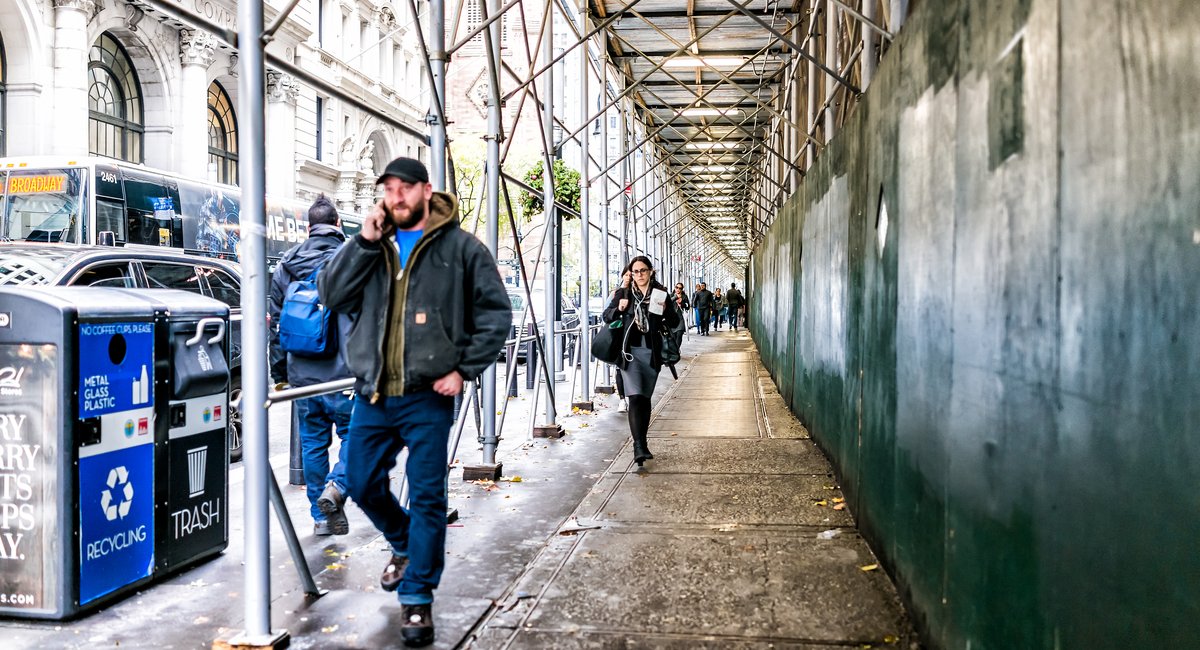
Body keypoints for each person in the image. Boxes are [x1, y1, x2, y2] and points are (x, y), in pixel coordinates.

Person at [318, 157, 511, 647]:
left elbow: (495, 314)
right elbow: (332, 293)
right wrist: (362, 240)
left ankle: (418, 599)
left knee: (427, 497)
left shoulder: (462, 249)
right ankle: (404, 545)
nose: (396, 196)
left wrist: (463, 369)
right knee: (359, 480)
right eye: (389, 188)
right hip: (375, 392)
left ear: (426, 191)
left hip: (428, 395)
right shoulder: (372, 245)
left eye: (405, 187)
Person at [267, 195, 354, 537]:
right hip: (343, 372)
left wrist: (281, 372)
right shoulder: (349, 259)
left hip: (302, 371)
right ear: (337, 225)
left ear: (307, 228)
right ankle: (337, 488)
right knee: (358, 435)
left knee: (313, 442)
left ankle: (320, 517)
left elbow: (274, 323)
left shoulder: (286, 263)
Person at [604, 256, 682, 467]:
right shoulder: (624, 293)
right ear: (631, 273)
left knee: (645, 397)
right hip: (630, 353)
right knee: (636, 397)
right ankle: (638, 447)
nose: (639, 275)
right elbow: (606, 316)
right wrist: (619, 308)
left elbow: (675, 322)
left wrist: (667, 308)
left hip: (651, 353)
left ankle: (642, 443)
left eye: (643, 271)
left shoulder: (660, 293)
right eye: (635, 271)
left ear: (651, 271)